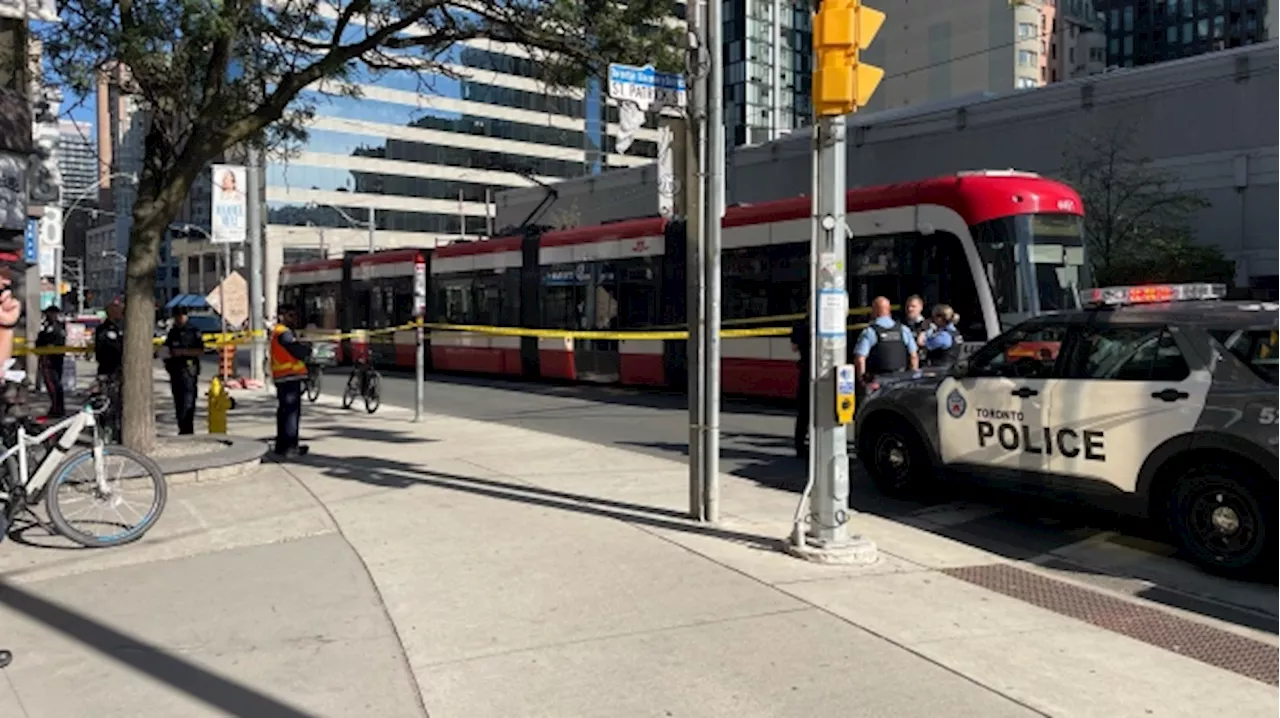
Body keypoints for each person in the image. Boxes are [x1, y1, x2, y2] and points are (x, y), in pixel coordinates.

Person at [271, 304, 312, 457]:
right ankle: (289, 447)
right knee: (291, 413)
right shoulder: (284, 333)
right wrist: (307, 349)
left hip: (283, 377)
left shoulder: (278, 332)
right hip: (289, 377)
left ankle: (282, 446)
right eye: (291, 315)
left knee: (284, 412)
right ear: (282, 316)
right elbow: (297, 352)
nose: (294, 318)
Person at [852, 296, 919, 388]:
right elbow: (914, 356)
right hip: (901, 379)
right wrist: (912, 377)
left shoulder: (870, 332)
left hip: (878, 381)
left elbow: (860, 359)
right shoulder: (903, 330)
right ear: (889, 309)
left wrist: (863, 381)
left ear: (874, 310)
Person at [163, 306, 204, 435]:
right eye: (177, 316)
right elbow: (166, 348)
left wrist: (182, 352)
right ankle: (182, 428)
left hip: (188, 371)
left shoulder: (193, 331)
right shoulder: (173, 332)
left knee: (188, 403)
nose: (179, 318)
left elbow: (200, 350)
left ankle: (187, 430)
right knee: (178, 403)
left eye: (181, 316)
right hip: (175, 371)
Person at [36, 305, 66, 418]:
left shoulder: (56, 327)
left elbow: (55, 341)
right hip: (48, 358)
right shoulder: (46, 326)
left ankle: (57, 408)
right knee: (52, 384)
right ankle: (56, 407)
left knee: (54, 384)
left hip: (52, 359)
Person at [789, 315, 811, 459]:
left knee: (803, 412)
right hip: (823, 372)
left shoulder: (800, 326)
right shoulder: (827, 323)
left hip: (806, 371)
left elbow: (794, 348)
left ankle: (800, 446)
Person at [94, 298, 125, 379]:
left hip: (123, 368)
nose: (119, 310)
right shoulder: (103, 329)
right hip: (107, 368)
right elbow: (100, 350)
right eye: (116, 307)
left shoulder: (125, 327)